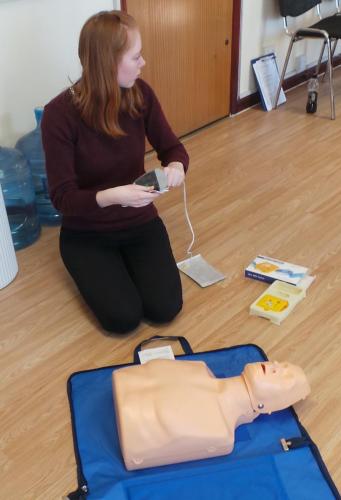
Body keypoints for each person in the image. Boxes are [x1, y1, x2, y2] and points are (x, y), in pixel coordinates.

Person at [41, 11, 189, 334]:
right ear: (108, 63)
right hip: (86, 234)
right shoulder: (58, 116)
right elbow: (62, 198)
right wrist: (113, 197)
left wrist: (176, 167)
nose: (143, 63)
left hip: (139, 223)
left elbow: (174, 149)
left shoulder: (141, 95)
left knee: (165, 308)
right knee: (122, 319)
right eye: (136, 57)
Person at [112, 358, 311, 470]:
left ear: (267, 407)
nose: (276, 365)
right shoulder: (199, 368)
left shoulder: (219, 433)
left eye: (286, 377)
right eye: (283, 364)